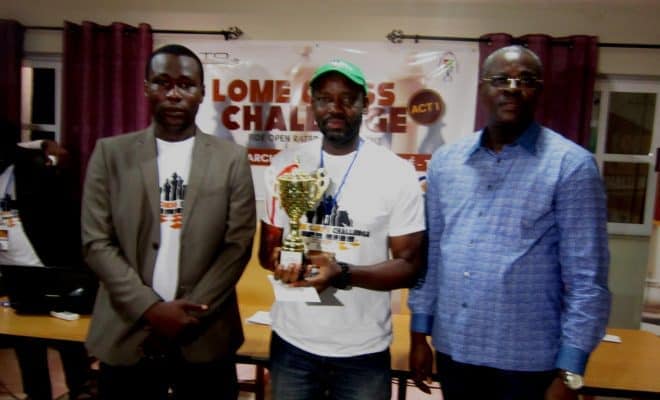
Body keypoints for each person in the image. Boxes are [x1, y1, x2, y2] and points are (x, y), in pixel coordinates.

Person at [408, 45, 610, 400]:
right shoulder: (446, 162)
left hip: (527, 361)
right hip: (456, 349)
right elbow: (433, 256)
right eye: (500, 79)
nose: (512, 88)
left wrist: (570, 370)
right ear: (482, 88)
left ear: (540, 90)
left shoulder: (571, 166)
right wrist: (419, 331)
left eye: (525, 80)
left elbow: (587, 280)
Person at [81, 44, 256, 399]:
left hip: (205, 337)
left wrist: (187, 314)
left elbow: (237, 245)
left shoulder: (231, 158)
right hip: (127, 333)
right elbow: (96, 242)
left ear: (202, 92)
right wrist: (150, 309)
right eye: (163, 83)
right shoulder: (110, 154)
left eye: (186, 84)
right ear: (146, 87)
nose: (174, 94)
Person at [259, 59, 426, 400]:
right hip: (293, 345)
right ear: (313, 104)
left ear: (365, 103)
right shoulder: (284, 164)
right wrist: (285, 261)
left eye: (347, 98)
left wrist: (341, 273)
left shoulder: (396, 173)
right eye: (324, 98)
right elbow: (266, 252)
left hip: (362, 352)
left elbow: (409, 266)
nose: (335, 108)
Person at [0, 122, 94, 400]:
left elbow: (66, 221)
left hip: (51, 270)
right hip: (13, 274)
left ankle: (82, 389)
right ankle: (36, 394)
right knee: (27, 344)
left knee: (67, 342)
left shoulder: (34, 170)